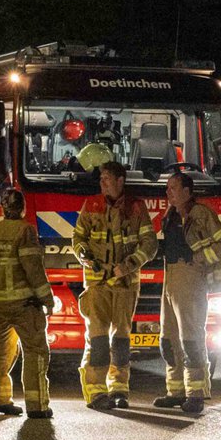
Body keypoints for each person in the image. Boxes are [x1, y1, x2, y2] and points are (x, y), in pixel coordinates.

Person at [71, 161, 157, 411]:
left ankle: (119, 389)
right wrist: (83, 254)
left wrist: (129, 265)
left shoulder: (136, 207)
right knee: (97, 337)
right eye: (101, 179)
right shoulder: (92, 205)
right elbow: (78, 238)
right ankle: (96, 391)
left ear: (121, 181)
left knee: (121, 338)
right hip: (97, 283)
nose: (102, 183)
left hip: (125, 283)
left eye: (107, 178)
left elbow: (149, 244)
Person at [153, 171, 221, 416]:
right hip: (170, 278)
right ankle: (176, 391)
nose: (168, 193)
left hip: (190, 278)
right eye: (167, 188)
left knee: (190, 339)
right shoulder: (170, 215)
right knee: (169, 340)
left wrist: (199, 258)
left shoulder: (201, 214)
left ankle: (196, 394)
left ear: (187, 192)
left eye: (173, 188)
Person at [0, 188, 53, 419]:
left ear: (2, 208)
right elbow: (33, 269)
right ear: (22, 207)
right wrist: (47, 299)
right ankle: (37, 405)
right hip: (24, 305)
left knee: (2, 349)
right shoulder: (25, 231)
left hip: (0, 303)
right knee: (35, 351)